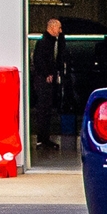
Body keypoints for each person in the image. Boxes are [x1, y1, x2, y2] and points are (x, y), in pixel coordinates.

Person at [31, 18, 70, 150]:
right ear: (52, 27)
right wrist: (46, 73)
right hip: (42, 80)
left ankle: (45, 138)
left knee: (47, 110)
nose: (60, 31)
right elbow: (38, 60)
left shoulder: (54, 42)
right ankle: (42, 139)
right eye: (58, 28)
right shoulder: (43, 43)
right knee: (43, 109)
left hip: (48, 79)